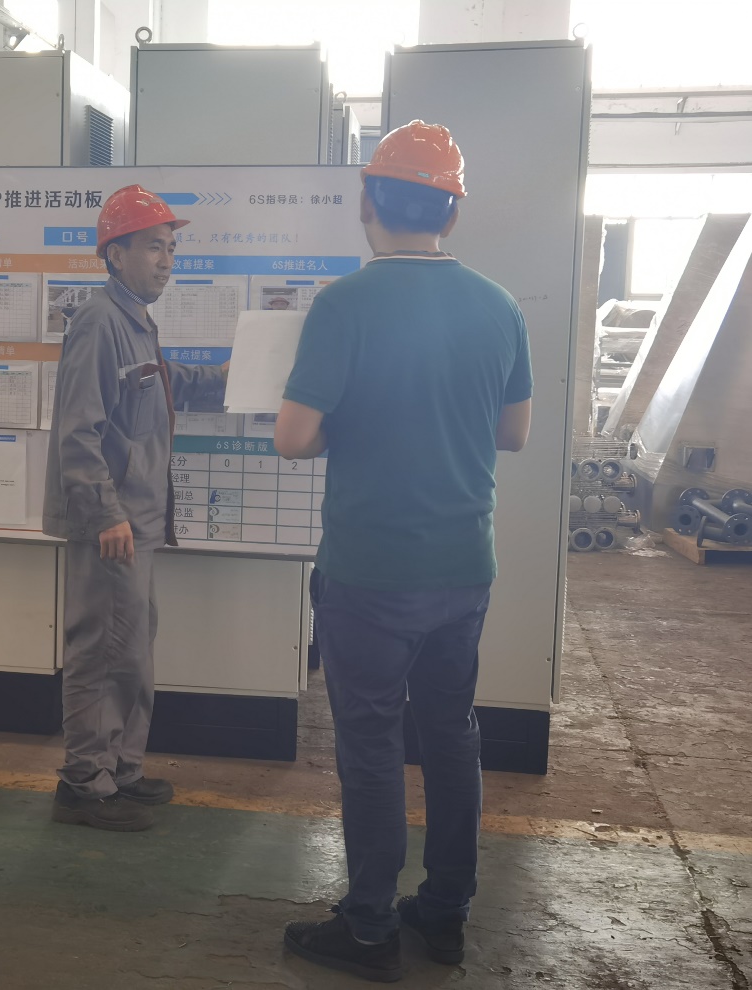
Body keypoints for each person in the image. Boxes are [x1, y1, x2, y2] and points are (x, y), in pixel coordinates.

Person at [273, 121, 533, 982]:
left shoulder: (344, 304)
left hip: (371, 570)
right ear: (451, 214)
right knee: (452, 737)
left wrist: (351, 427)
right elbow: (513, 433)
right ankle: (445, 911)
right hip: (463, 566)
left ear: (367, 202)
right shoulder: (498, 305)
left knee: (372, 746)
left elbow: (293, 437)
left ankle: (369, 926)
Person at [42, 184, 227, 832]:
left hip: (136, 522)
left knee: (131, 651)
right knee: (101, 651)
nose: (166, 259)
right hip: (112, 525)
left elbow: (167, 385)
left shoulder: (135, 321)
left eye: (170, 248)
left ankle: (120, 769)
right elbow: (78, 433)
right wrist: (106, 514)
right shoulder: (99, 322)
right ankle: (83, 786)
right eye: (153, 247)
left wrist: (243, 374)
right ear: (114, 254)